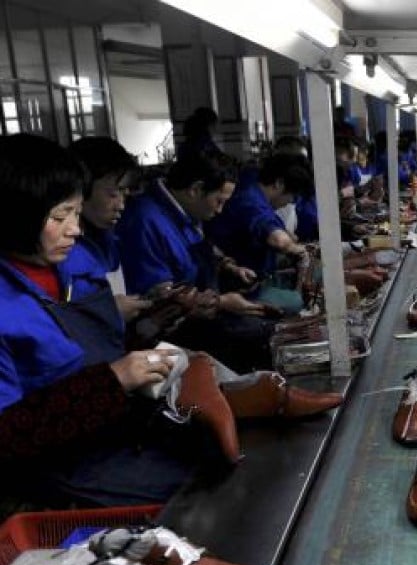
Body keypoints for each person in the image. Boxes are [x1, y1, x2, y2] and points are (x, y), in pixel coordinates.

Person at [0, 133, 200, 505]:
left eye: (76, 213)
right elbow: (8, 435)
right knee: (194, 500)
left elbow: (104, 345)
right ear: (17, 215)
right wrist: (114, 380)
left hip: (123, 434)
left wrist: (153, 342)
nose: (74, 229)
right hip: (65, 472)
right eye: (59, 216)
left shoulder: (75, 264)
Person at [116, 150, 276, 372]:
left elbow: (199, 245)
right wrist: (220, 302)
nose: (220, 210)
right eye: (218, 201)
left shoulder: (182, 211)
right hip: (167, 337)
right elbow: (160, 300)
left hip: (199, 316)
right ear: (196, 190)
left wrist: (229, 267)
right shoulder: (144, 221)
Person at [205, 154, 313, 313]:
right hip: (240, 289)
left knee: (315, 275)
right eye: (292, 196)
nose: (291, 202)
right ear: (278, 184)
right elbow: (278, 240)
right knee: (297, 302)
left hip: (252, 273)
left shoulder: (252, 183)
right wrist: (297, 250)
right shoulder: (250, 201)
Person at [68, 137, 151, 322]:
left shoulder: (108, 239)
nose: (121, 205)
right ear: (82, 189)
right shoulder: (63, 250)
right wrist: (108, 314)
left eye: (125, 194)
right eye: (113, 194)